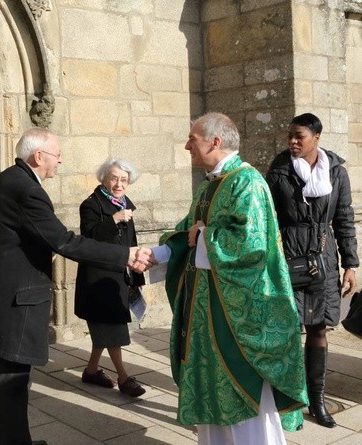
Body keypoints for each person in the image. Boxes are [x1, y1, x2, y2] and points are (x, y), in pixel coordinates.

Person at [0, 127, 152, 445]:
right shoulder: (26, 189)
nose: (61, 160)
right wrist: (126, 254)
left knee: (11, 380)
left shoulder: (11, 179)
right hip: (16, 301)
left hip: (6, 296)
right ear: (39, 156)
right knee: (11, 382)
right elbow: (65, 241)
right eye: (57, 154)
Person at [152, 112, 308, 444]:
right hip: (208, 315)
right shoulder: (212, 184)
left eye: (192, 140)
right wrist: (157, 254)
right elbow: (187, 231)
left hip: (237, 318)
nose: (186, 146)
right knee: (212, 393)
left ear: (215, 141)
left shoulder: (246, 182)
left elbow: (249, 247)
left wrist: (205, 236)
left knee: (241, 397)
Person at [266, 112, 358, 428]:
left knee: (319, 328)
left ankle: (316, 400)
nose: (292, 141)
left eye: (299, 136)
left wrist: (351, 265)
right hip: (287, 256)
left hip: (324, 258)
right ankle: (289, 402)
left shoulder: (336, 173)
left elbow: (344, 219)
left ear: (315, 138)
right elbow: (267, 217)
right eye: (290, 135)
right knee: (288, 329)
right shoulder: (278, 171)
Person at [74, 158, 146, 398]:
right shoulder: (91, 204)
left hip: (119, 275)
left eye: (124, 180)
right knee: (111, 327)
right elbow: (88, 237)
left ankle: (92, 370)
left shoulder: (127, 204)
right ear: (104, 178)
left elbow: (130, 241)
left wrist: (137, 264)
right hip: (98, 277)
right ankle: (124, 378)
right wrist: (113, 219)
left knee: (105, 326)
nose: (119, 184)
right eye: (114, 178)